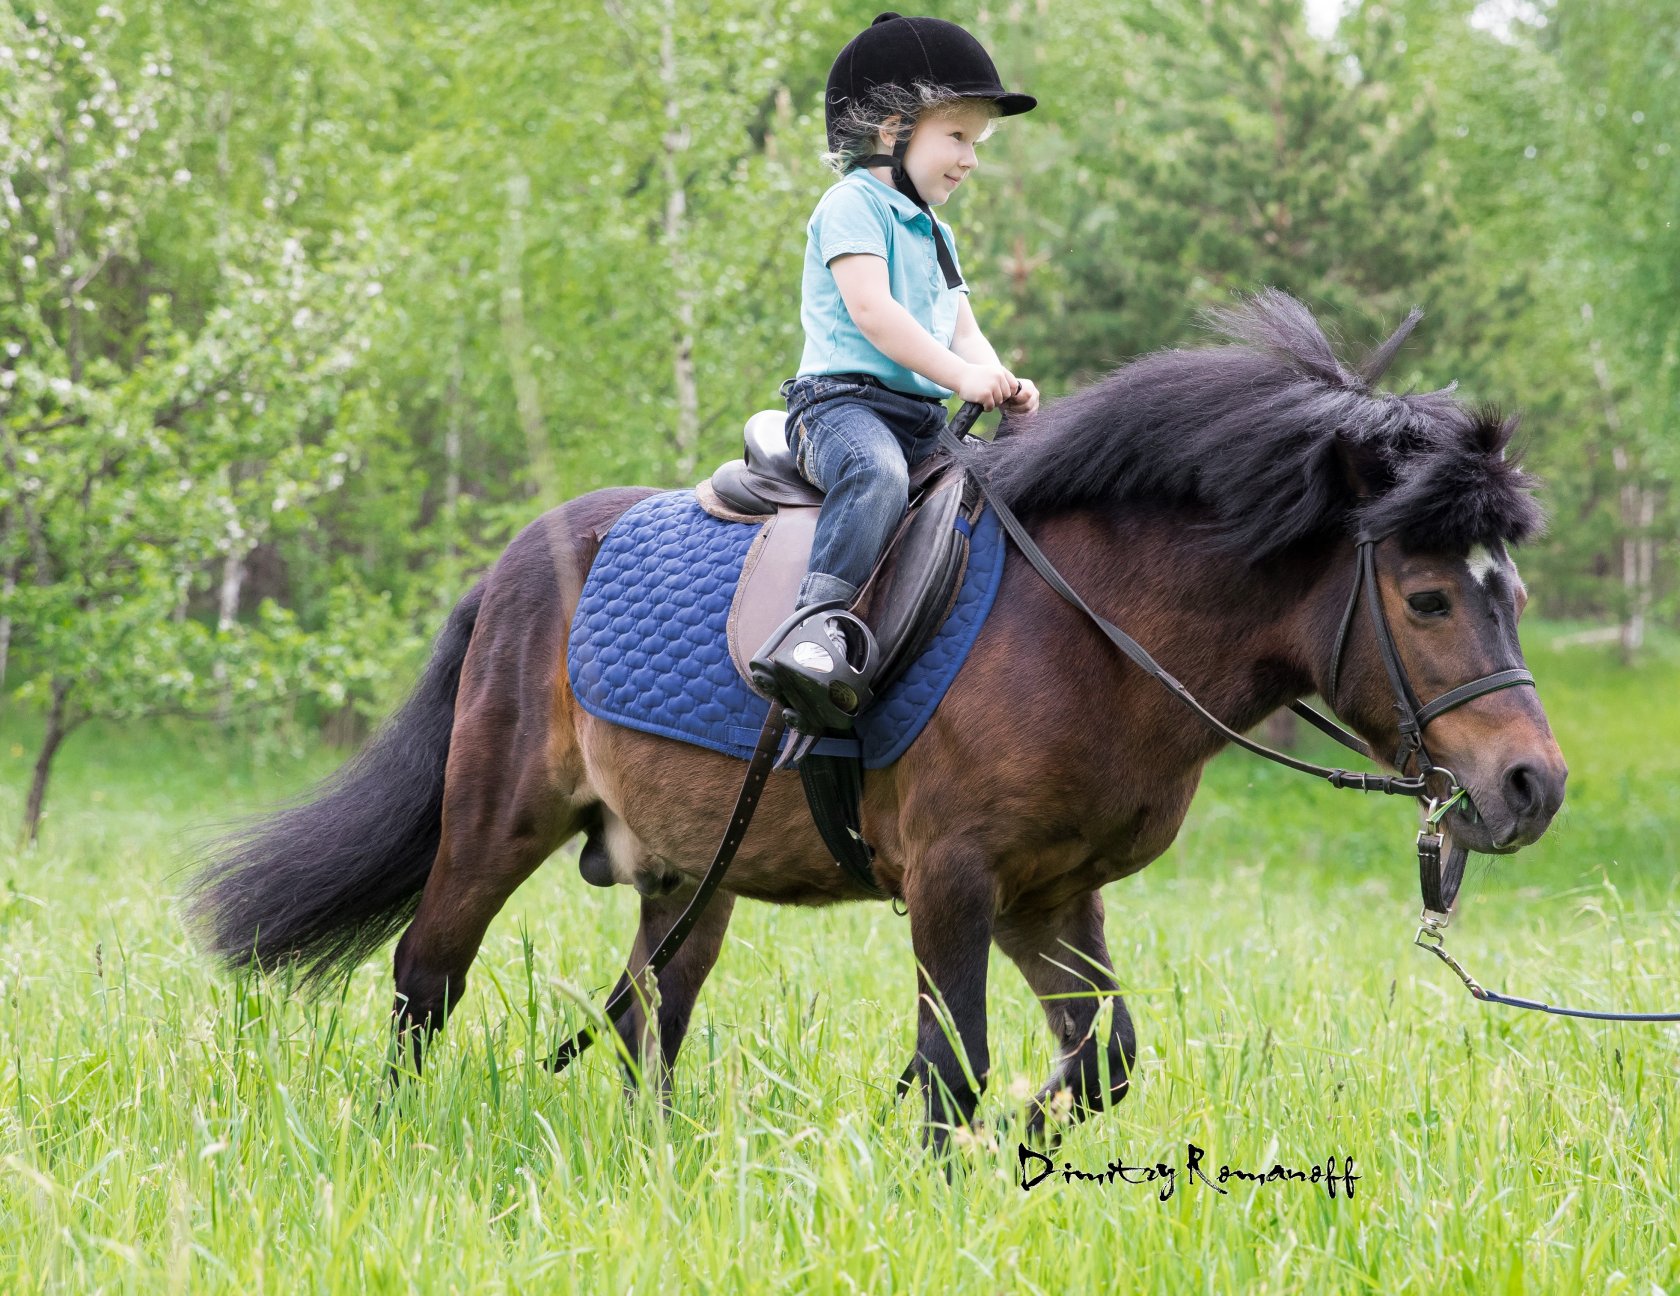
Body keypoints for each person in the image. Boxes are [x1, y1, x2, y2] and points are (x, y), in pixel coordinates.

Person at [750, 12, 1039, 737]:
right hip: (841, 408)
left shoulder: (935, 230)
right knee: (874, 476)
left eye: (976, 142)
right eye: (959, 137)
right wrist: (959, 377)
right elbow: (875, 315)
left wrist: (999, 377)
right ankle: (813, 631)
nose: (970, 158)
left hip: (920, 417)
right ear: (891, 131)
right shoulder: (852, 205)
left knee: (992, 501)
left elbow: (961, 326)